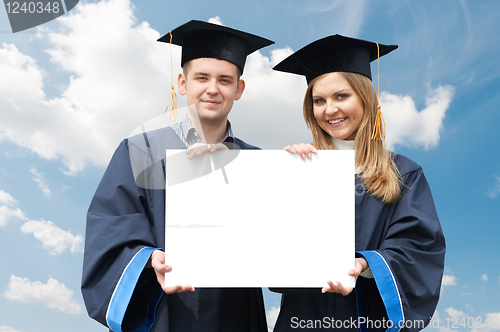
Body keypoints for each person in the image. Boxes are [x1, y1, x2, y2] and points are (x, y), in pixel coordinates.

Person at [81, 20, 274, 332]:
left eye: (225, 80)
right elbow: (110, 224)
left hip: (236, 310)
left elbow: (278, 237)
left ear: (238, 89)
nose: (213, 89)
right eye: (202, 78)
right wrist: (149, 258)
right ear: (183, 83)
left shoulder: (257, 161)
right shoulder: (141, 148)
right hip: (164, 309)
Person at [271, 35, 445, 331]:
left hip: (368, 318)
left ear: (365, 97)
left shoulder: (403, 173)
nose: (329, 110)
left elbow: (418, 246)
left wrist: (365, 265)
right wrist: (288, 180)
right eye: (319, 100)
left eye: (341, 96)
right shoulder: (301, 168)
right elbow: (268, 243)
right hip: (303, 318)